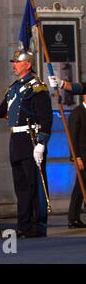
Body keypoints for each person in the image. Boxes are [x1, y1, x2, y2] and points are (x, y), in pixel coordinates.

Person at [0, 49, 53, 238]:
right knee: (21, 187)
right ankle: (23, 225)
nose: (13, 65)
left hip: (31, 141)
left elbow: (46, 118)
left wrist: (42, 143)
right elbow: (2, 109)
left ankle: (37, 226)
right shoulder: (14, 87)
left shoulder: (37, 87)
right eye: (13, 62)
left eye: (16, 62)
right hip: (16, 141)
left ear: (27, 65)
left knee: (34, 185)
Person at [66, 95, 86, 228]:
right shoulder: (77, 112)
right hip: (83, 157)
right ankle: (73, 218)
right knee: (80, 187)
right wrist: (76, 157)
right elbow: (72, 136)